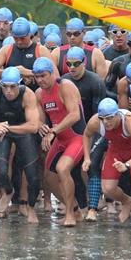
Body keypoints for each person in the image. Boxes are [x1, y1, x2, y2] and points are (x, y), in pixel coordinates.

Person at [0, 67, 41, 223]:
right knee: (1, 170)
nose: (9, 91)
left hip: (22, 130)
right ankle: (8, 192)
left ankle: (31, 208)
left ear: (20, 84)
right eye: (5, 86)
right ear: (0, 84)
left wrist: (7, 128)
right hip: (0, 130)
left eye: (13, 87)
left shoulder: (28, 94)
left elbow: (33, 126)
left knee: (32, 174)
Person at [34, 57, 86, 227]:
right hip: (60, 139)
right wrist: (42, 129)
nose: (40, 80)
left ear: (52, 74)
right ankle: (75, 209)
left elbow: (74, 115)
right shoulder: (39, 94)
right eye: (37, 76)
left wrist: (53, 131)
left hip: (77, 137)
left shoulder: (65, 86)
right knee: (48, 177)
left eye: (43, 75)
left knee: (62, 169)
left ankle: (70, 213)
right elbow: (41, 120)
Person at [82, 98, 131, 229]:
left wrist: (127, 165)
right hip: (116, 151)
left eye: (109, 118)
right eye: (103, 118)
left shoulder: (128, 120)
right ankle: (128, 201)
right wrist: (86, 158)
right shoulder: (96, 121)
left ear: (117, 114)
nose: (106, 122)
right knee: (107, 188)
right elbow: (86, 135)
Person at [61, 46, 106, 221]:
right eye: (68, 64)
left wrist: (92, 137)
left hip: (93, 129)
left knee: (92, 164)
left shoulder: (95, 81)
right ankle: (82, 205)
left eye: (76, 64)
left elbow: (99, 115)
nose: (72, 67)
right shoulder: (64, 80)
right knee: (73, 170)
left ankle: (95, 203)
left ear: (84, 63)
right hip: (74, 131)